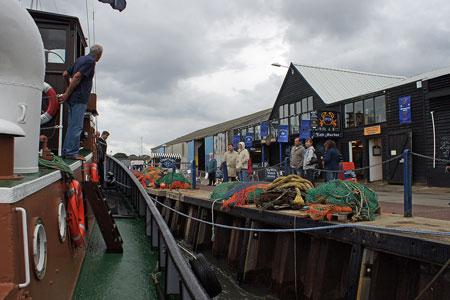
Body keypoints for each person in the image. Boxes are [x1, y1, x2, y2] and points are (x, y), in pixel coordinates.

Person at [59, 44, 103, 161]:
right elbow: (78, 76)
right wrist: (68, 93)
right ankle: (72, 152)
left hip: (73, 97)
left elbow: (65, 74)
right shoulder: (90, 61)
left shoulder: (80, 59)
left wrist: (69, 90)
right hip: (80, 98)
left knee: (72, 126)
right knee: (77, 126)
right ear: (99, 54)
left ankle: (66, 151)